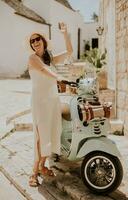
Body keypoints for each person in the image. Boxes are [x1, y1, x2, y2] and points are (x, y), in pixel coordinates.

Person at [28, 22, 73, 187]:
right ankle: (33, 173)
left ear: (43, 40)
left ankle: (42, 166)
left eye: (37, 39)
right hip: (40, 101)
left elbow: (69, 52)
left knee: (53, 132)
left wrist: (65, 33)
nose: (35, 42)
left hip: (53, 100)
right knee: (40, 137)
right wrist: (59, 78)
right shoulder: (32, 58)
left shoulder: (49, 57)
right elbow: (44, 71)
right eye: (32, 41)